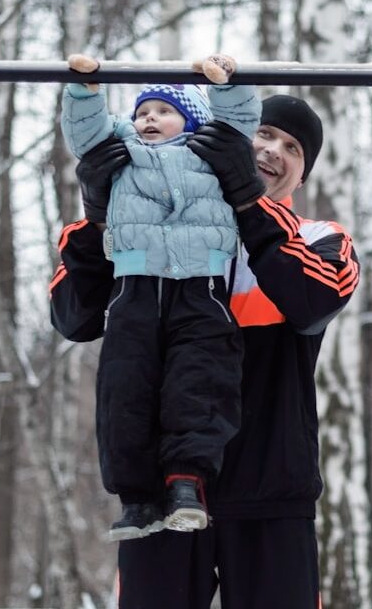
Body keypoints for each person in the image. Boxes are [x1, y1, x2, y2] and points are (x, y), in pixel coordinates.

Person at [49, 93, 359, 608]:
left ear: (302, 177)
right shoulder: (141, 231)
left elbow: (312, 302)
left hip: (270, 493)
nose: (272, 151)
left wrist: (245, 200)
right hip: (163, 495)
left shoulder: (318, 238)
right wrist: (102, 218)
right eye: (262, 134)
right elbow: (73, 318)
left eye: (292, 148)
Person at [59, 53, 261, 541]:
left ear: (191, 119)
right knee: (127, 387)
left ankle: (187, 482)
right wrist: (85, 90)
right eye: (142, 112)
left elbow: (239, 121)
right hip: (135, 286)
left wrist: (224, 83)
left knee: (198, 383)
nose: (149, 119)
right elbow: (85, 134)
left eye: (163, 111)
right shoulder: (124, 150)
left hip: (200, 287)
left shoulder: (209, 151)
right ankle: (136, 498)